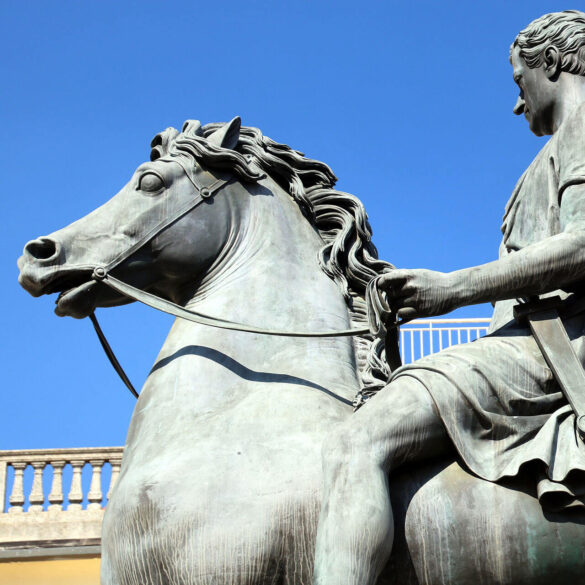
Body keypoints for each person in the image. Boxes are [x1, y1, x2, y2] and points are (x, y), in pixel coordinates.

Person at [313, 10, 585, 585]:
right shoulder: (554, 149)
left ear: (554, 62)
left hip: (560, 344)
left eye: (519, 81)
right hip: (533, 339)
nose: (518, 104)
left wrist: (453, 288)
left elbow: (584, 244)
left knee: (362, 436)